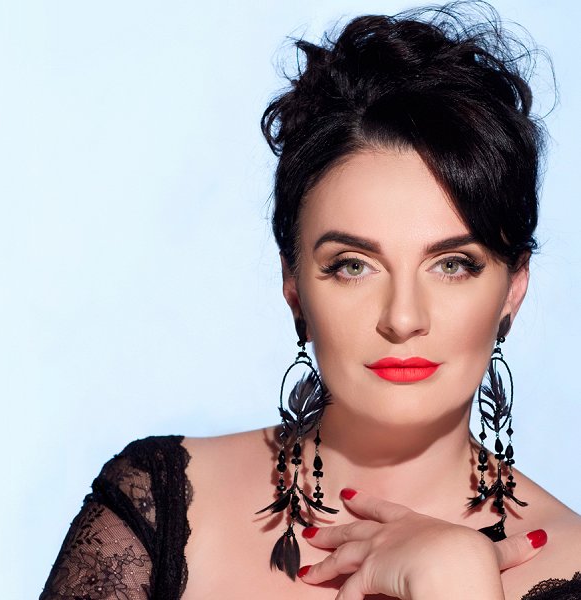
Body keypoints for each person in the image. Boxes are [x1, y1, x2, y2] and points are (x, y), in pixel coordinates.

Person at [39, 4, 581, 600]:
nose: (403, 318)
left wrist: (458, 582)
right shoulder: (160, 510)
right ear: (294, 284)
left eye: (452, 264)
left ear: (513, 287)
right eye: (354, 266)